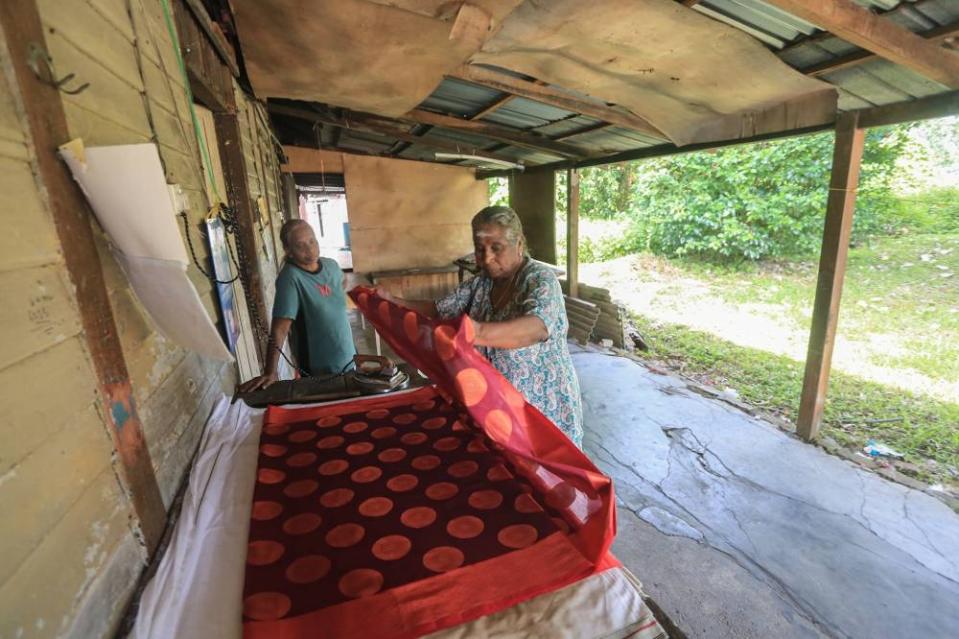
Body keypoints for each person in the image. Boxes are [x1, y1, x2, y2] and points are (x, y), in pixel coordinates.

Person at [378, 205, 584, 447]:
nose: (486, 258)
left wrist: (477, 332)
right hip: (499, 408)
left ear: (518, 243)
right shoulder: (482, 284)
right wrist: (390, 301)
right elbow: (439, 309)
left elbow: (536, 327)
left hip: (541, 409)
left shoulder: (539, 280)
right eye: (479, 249)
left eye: (496, 248)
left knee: (546, 475)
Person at [240, 219, 355, 392]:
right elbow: (280, 329)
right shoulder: (291, 278)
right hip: (318, 366)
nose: (310, 249)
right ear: (289, 251)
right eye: (301, 246)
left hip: (348, 355)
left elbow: (341, 281)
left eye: (312, 241)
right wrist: (270, 372)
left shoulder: (331, 266)